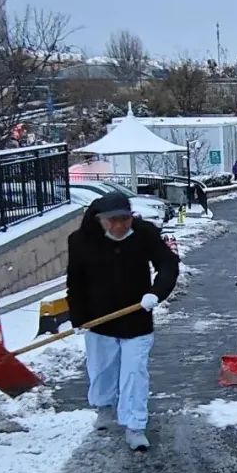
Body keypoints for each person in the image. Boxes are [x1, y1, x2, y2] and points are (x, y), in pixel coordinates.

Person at [66, 191, 180, 452]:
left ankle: (135, 425)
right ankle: (104, 407)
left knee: (134, 373)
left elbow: (168, 264)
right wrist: (79, 317)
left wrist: (156, 293)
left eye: (124, 219)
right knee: (102, 369)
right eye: (112, 221)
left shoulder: (144, 234)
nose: (119, 226)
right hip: (100, 320)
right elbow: (75, 282)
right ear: (100, 220)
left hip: (137, 321)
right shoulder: (82, 241)